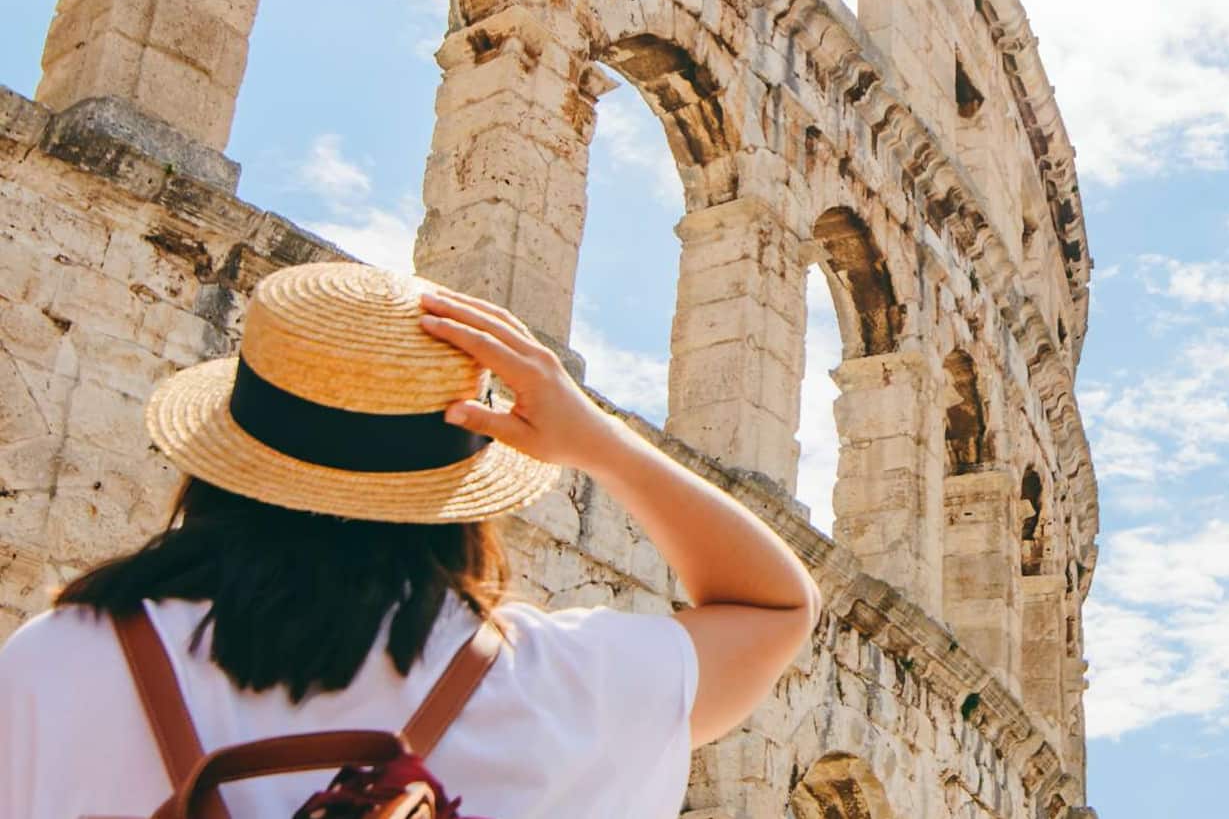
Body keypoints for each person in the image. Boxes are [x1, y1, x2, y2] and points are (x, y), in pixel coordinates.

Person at [0, 262, 820, 816]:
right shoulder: (560, 687)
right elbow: (776, 605)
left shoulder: (55, 660)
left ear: (224, 463)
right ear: (459, 497)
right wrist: (599, 440)